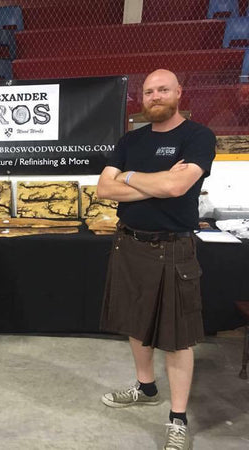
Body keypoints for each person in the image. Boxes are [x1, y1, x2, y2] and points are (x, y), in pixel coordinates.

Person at [97, 69, 215, 450]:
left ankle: (177, 419)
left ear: (180, 92)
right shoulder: (130, 140)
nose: (155, 96)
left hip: (173, 248)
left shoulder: (198, 137)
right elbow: (103, 189)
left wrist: (129, 180)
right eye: (148, 91)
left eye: (163, 89)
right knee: (136, 324)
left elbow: (177, 186)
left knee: (177, 339)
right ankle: (145, 387)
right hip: (129, 244)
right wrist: (151, 180)